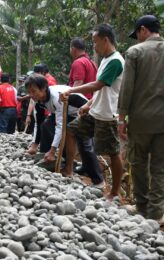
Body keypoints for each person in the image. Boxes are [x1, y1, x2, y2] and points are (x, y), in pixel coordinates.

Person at [118, 15, 164, 225]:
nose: (137, 38)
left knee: (138, 162)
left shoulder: (135, 52)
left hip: (141, 119)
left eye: (137, 34)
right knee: (162, 166)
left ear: (143, 30)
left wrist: (121, 118)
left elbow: (127, 88)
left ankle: (142, 205)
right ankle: (156, 213)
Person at [61, 24, 125, 199]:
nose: (94, 47)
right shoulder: (104, 60)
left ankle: (114, 192)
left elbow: (98, 85)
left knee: (113, 152)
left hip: (107, 115)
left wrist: (71, 91)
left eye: (96, 42)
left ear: (106, 40)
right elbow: (100, 90)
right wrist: (88, 104)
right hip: (95, 111)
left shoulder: (116, 61)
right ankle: (69, 170)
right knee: (72, 130)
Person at [68, 38, 99, 176]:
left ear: (73, 49)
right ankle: (86, 167)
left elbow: (78, 83)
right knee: (82, 136)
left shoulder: (78, 62)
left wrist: (69, 98)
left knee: (83, 137)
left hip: (81, 103)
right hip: (90, 102)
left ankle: (95, 174)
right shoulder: (91, 62)